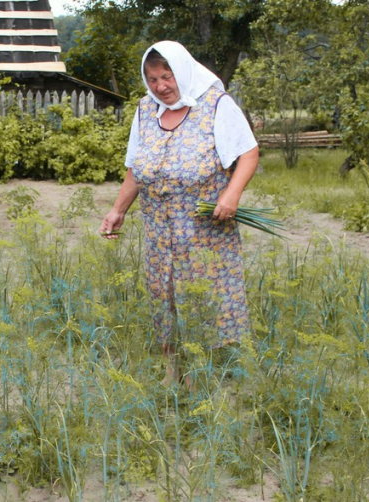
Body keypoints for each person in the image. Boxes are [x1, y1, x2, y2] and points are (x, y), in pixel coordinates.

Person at [100, 41, 259, 383]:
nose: (160, 86)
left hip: (204, 230)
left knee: (205, 299)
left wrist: (231, 195)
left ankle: (209, 375)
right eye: (152, 78)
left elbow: (248, 152)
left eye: (167, 76)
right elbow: (136, 168)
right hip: (160, 232)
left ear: (182, 72)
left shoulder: (216, 105)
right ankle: (174, 374)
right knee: (164, 298)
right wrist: (118, 210)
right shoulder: (145, 110)